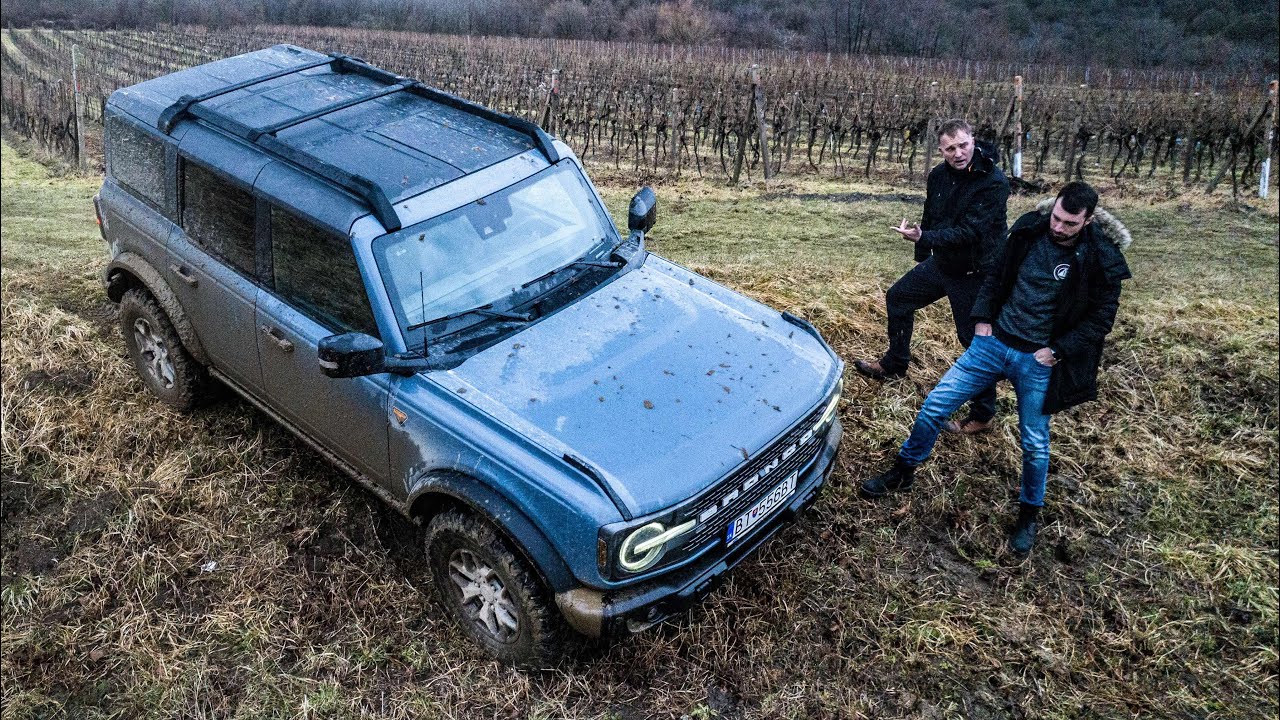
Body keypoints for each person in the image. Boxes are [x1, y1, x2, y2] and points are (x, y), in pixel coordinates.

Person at [859, 181, 1132, 555]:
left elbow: (1102, 318)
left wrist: (1056, 350)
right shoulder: (1028, 230)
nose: (1058, 227)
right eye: (1056, 217)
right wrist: (983, 319)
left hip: (1038, 360)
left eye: (1069, 223)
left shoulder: (1100, 258)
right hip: (993, 343)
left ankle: (1028, 514)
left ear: (1087, 221)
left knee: (1035, 443)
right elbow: (996, 273)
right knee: (936, 405)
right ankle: (903, 470)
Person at [854, 118, 1010, 435]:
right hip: (944, 262)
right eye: (950, 148)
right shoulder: (938, 175)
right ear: (941, 150)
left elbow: (971, 232)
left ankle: (982, 415)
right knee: (898, 297)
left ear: (973, 140)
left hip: (976, 271)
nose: (958, 153)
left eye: (963, 145)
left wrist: (924, 238)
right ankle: (895, 363)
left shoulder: (993, 181)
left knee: (974, 340)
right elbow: (931, 214)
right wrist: (922, 252)